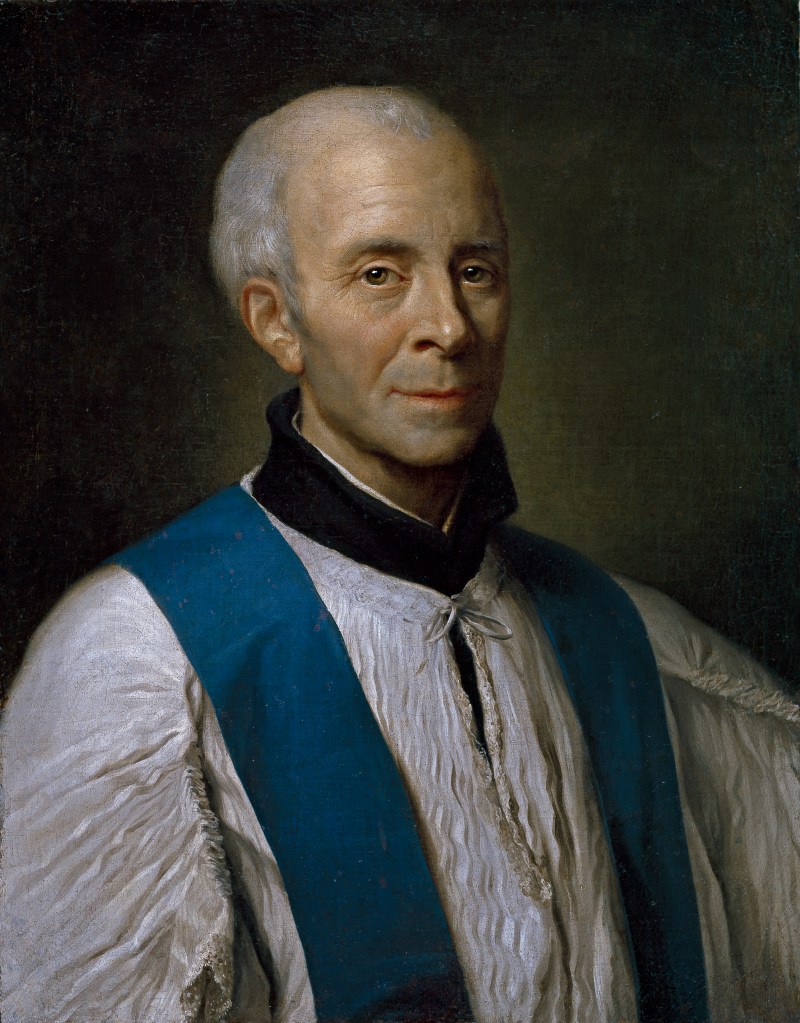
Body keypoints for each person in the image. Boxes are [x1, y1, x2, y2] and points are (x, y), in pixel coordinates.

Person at [1, 86, 798, 1023]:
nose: (449, 328)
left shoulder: (629, 637)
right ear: (276, 321)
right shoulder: (138, 661)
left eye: (475, 270)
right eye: (380, 274)